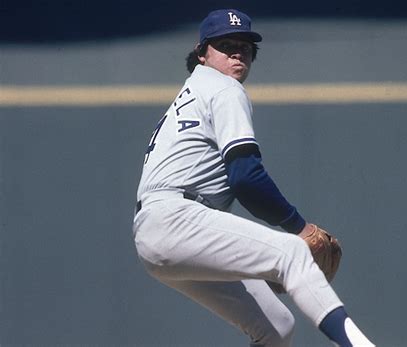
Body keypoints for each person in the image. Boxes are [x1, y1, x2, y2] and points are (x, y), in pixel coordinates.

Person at [133, 9, 375, 347]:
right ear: (202, 53)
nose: (237, 51)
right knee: (293, 253)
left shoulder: (193, 92)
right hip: (177, 217)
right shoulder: (223, 89)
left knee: (276, 326)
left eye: (244, 46)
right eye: (225, 44)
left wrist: (261, 264)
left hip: (158, 231)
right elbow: (245, 177)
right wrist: (299, 227)